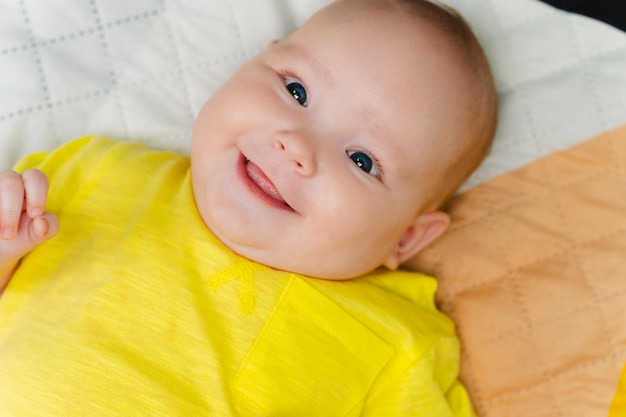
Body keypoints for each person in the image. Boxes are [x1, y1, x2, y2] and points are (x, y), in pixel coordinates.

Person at [0, 0, 497, 415]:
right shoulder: (98, 169)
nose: (296, 145)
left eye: (362, 160)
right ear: (250, 65)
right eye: (296, 91)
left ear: (406, 238)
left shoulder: (395, 340)